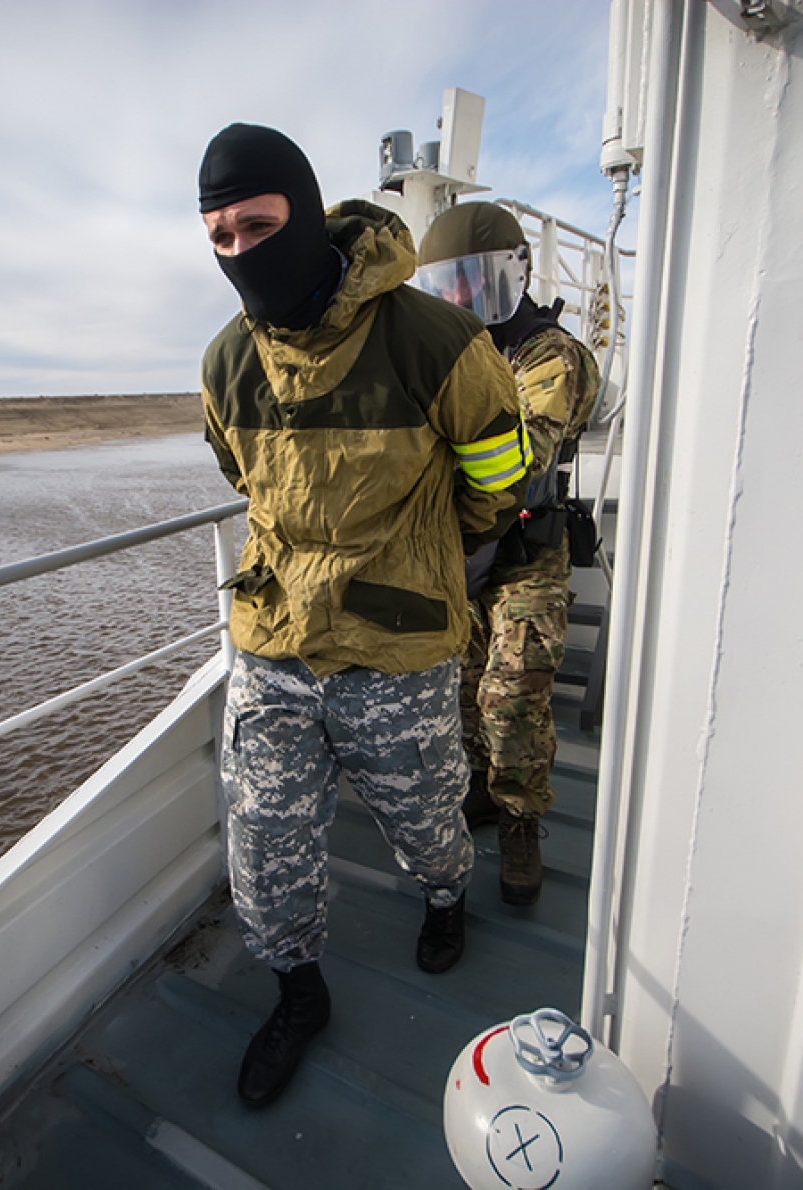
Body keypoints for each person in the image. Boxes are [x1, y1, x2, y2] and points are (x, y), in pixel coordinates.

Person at [197, 124, 529, 1108]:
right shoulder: (226, 364)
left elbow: (496, 481)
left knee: (425, 816)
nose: (238, 253)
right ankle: (298, 991)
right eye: (216, 236)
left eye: (256, 225)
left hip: (395, 644)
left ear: (303, 212)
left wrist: (422, 557)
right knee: (261, 840)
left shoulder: (436, 340)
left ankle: (444, 894)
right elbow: (242, 476)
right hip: (273, 645)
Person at [413, 202, 601, 907]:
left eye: (476, 281)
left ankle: (521, 817)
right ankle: (483, 795)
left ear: (514, 275)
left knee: (512, 685)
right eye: (448, 285)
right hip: (464, 551)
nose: (462, 298)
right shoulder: (446, 356)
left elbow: (524, 460)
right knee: (462, 684)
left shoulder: (549, 355)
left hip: (524, 550)